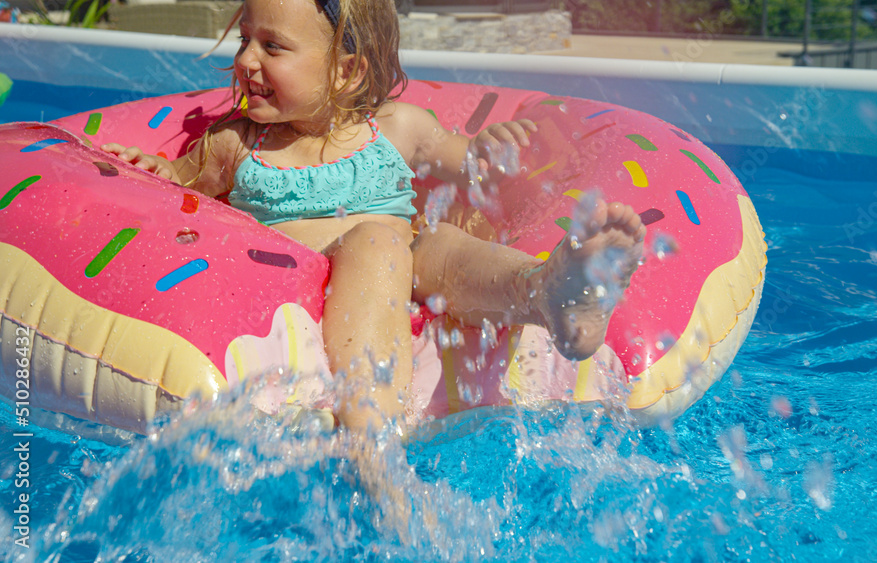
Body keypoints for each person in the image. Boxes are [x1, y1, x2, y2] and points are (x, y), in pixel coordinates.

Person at [101, 0, 645, 435]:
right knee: (375, 245)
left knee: (440, 243)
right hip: (316, 290)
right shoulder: (236, 145)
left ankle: (549, 290)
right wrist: (154, 168)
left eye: (272, 47)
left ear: (346, 70)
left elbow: (475, 169)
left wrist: (493, 153)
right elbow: (175, 189)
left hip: (410, 270)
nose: (246, 60)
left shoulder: (396, 129)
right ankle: (370, 435)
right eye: (246, 39)